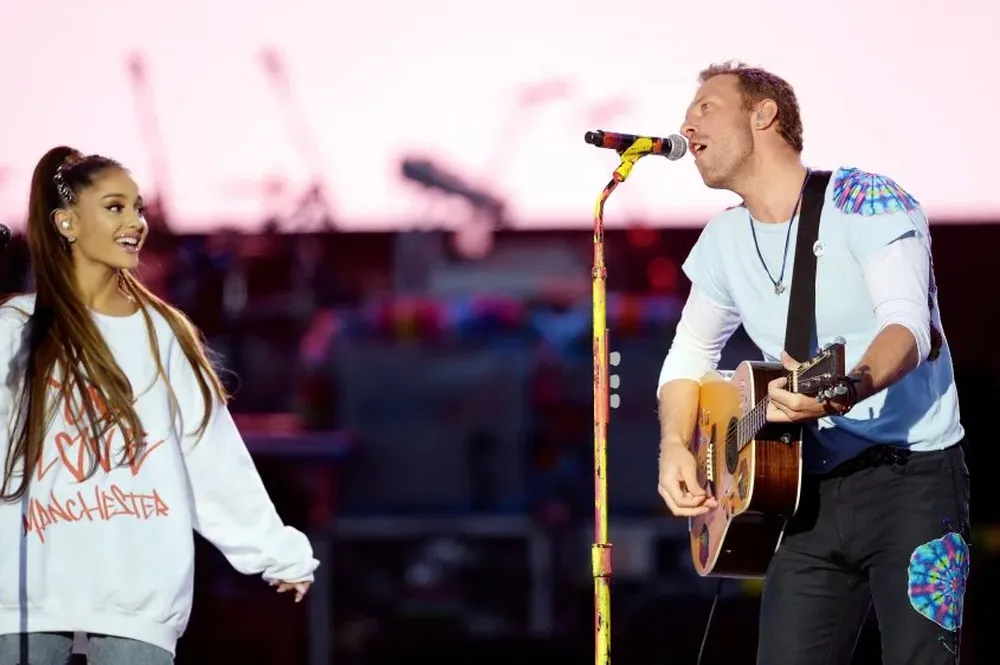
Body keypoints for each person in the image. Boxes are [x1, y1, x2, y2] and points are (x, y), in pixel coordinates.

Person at [655, 62, 967, 665]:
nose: (687, 126)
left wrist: (848, 387)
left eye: (706, 108)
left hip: (911, 480)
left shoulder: (865, 201)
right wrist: (675, 446)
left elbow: (909, 328)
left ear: (763, 114)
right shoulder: (722, 241)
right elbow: (687, 359)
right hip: (802, 492)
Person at [0, 147, 319, 665]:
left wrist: (274, 551)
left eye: (138, 208)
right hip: (23, 599)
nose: (135, 223)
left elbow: (209, 451)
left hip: (137, 600)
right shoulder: (14, 330)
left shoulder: (162, 333)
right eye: (115, 208)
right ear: (66, 223)